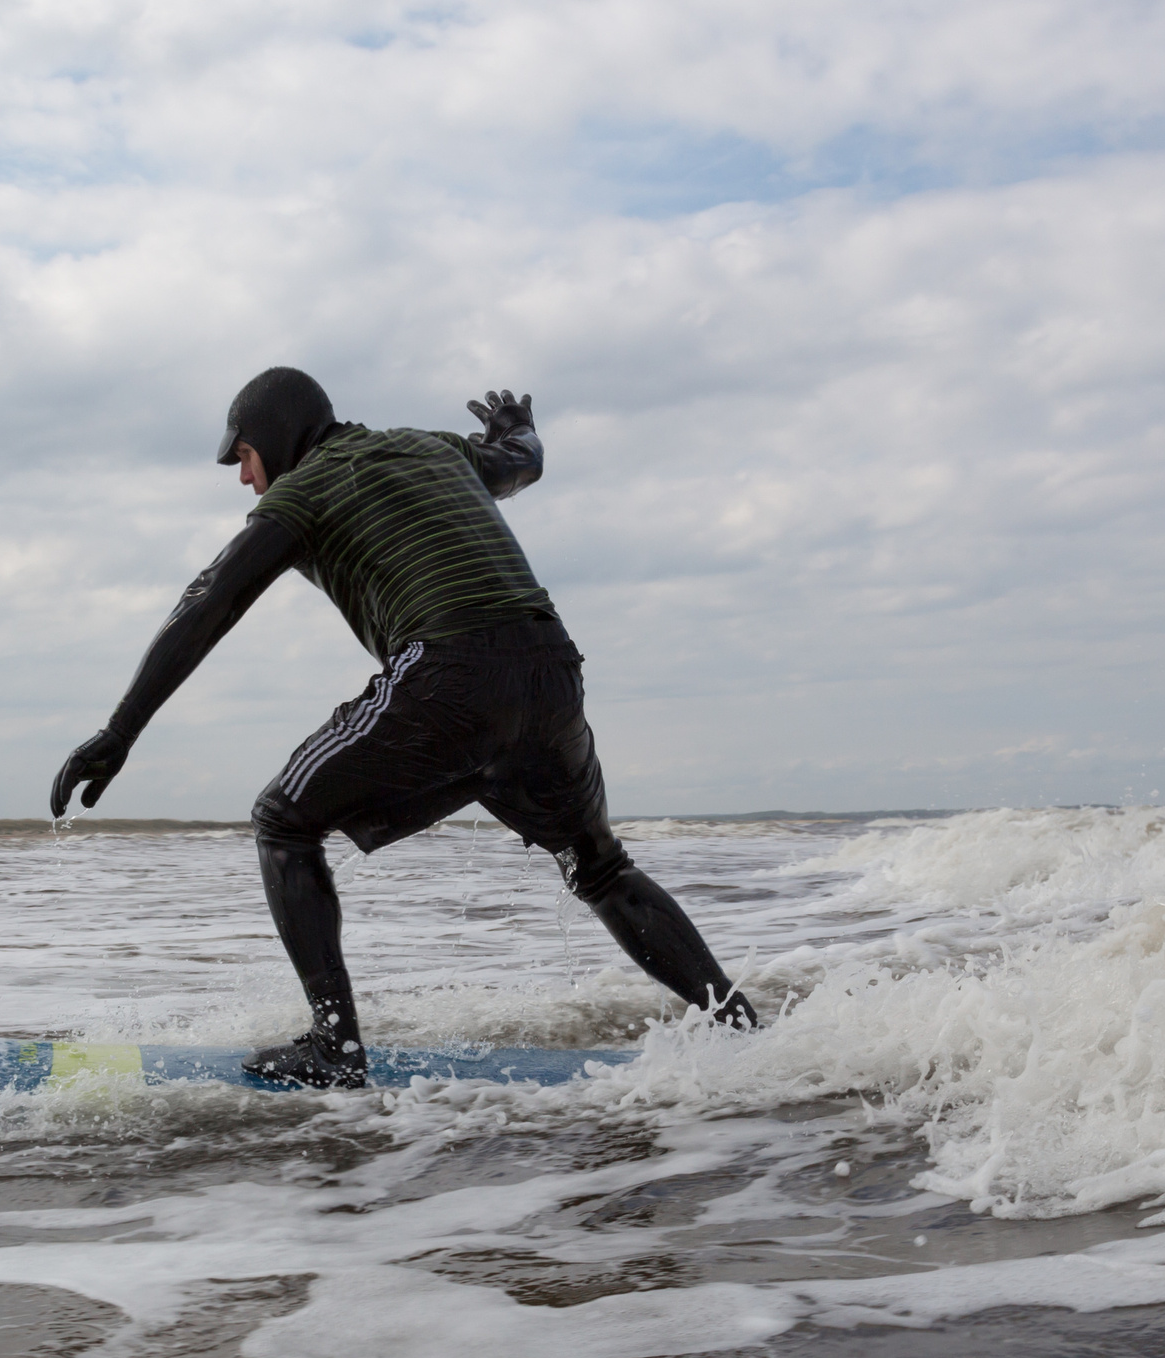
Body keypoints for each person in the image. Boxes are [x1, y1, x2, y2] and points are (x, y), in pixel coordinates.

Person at [50, 367, 759, 1089]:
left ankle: (335, 1050)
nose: (243, 478)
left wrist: (119, 731)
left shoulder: (307, 485)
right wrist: (514, 425)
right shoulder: (435, 448)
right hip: (549, 668)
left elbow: (211, 601)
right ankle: (748, 1037)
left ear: (273, 438)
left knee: (282, 820)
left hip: (450, 668)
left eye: (243, 457)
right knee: (600, 866)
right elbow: (523, 463)